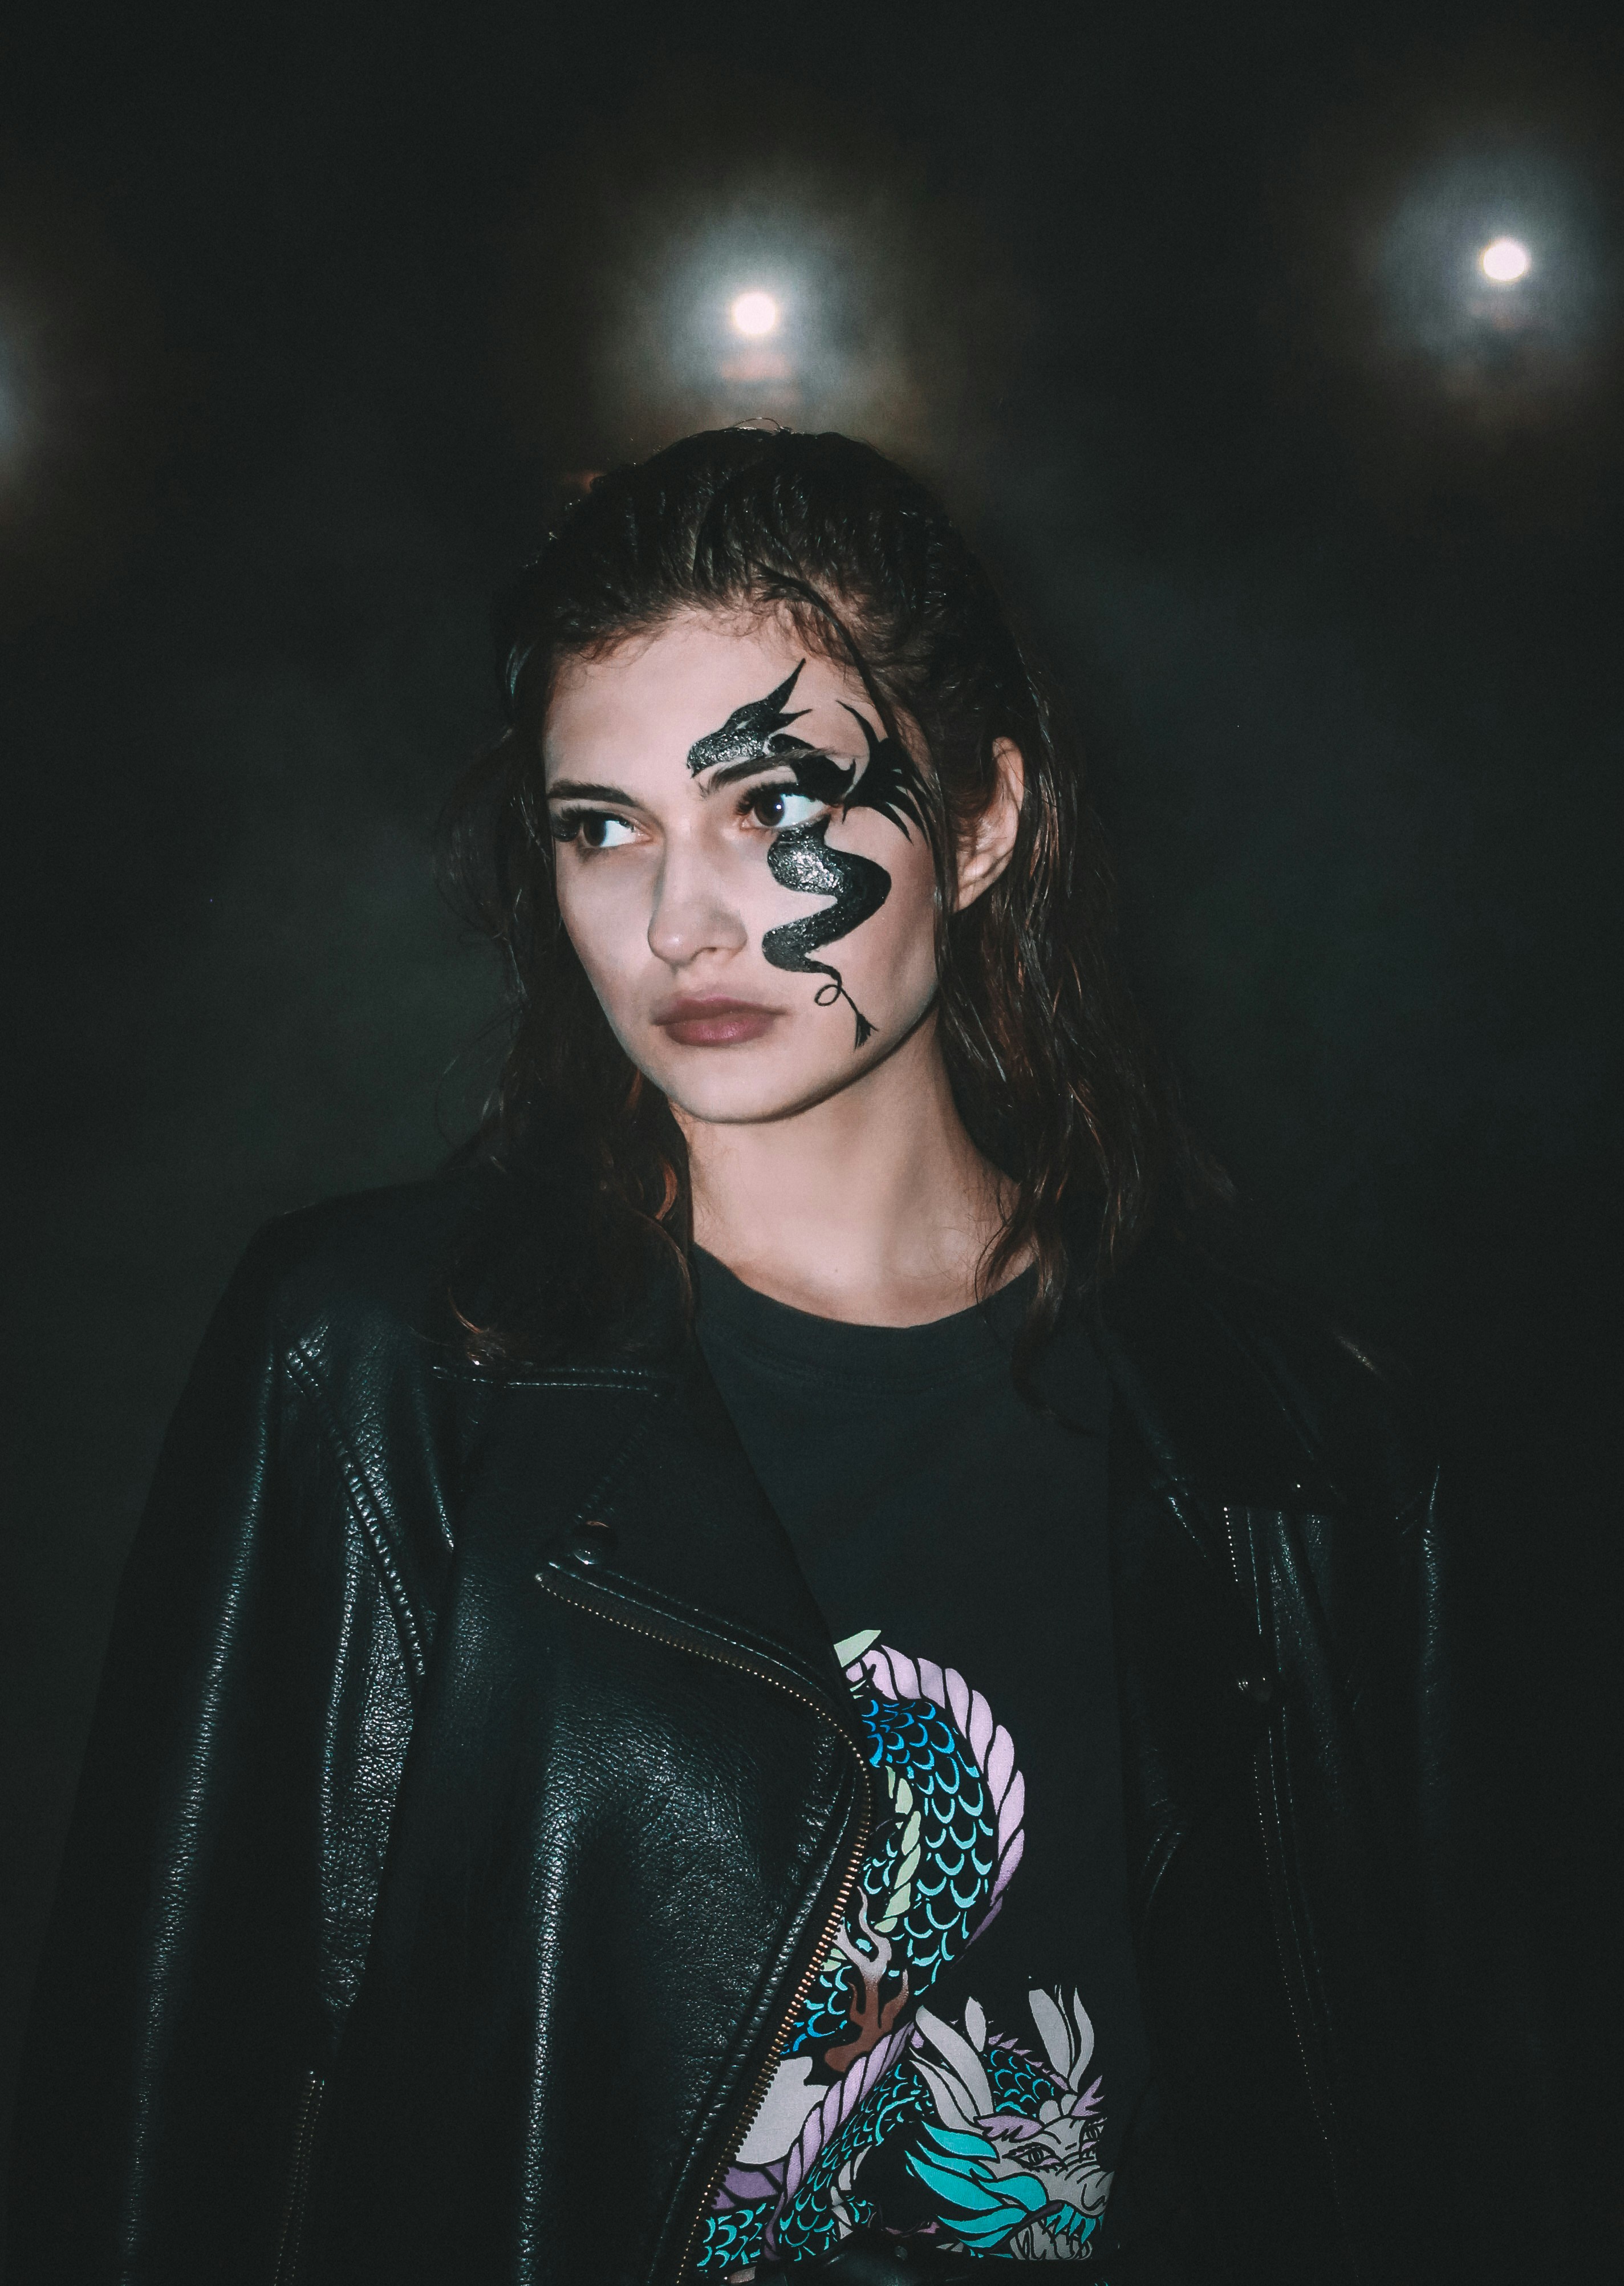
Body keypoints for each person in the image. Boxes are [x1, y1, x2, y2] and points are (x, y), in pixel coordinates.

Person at [9, 429, 1522, 2286]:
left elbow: (1432, 2130)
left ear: (979, 822)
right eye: (604, 825)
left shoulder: (1302, 1455)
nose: (676, 922)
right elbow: (177, 2096)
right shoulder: (384, 1369)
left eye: (774, 808)